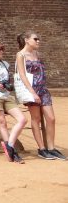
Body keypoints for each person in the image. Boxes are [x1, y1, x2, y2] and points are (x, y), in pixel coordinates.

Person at [15, 31, 65, 160]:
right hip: (32, 90)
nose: (38, 41)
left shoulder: (37, 54)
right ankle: (42, 149)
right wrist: (32, 92)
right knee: (36, 119)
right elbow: (22, 75)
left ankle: (51, 148)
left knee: (51, 118)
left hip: (43, 89)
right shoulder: (20, 55)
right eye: (35, 39)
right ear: (26, 40)